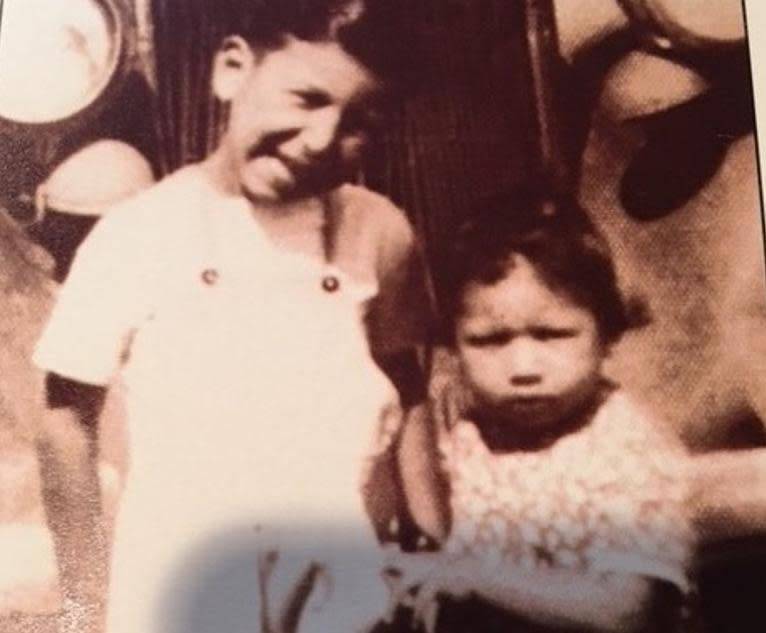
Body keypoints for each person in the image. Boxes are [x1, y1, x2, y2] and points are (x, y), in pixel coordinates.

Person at [32, 2, 432, 632]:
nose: (322, 139)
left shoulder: (379, 232)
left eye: (361, 123)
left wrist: (429, 544)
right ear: (232, 69)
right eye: (305, 98)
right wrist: (86, 607)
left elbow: (406, 387)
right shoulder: (137, 233)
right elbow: (64, 426)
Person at [390, 189, 695, 632]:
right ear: (453, 346)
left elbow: (625, 611)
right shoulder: (472, 427)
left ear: (607, 334)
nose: (523, 368)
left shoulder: (625, 449)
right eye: (489, 340)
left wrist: (472, 577)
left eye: (552, 335)